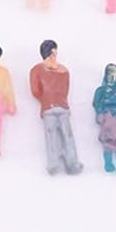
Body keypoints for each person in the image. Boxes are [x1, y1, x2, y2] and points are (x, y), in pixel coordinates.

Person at [29, 39, 83, 175]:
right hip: (59, 106)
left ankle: (57, 162)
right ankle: (69, 162)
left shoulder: (38, 69)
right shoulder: (62, 70)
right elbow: (64, 89)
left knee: (53, 135)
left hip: (51, 106)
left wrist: (46, 98)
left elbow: (35, 90)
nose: (55, 54)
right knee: (65, 135)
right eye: (54, 51)